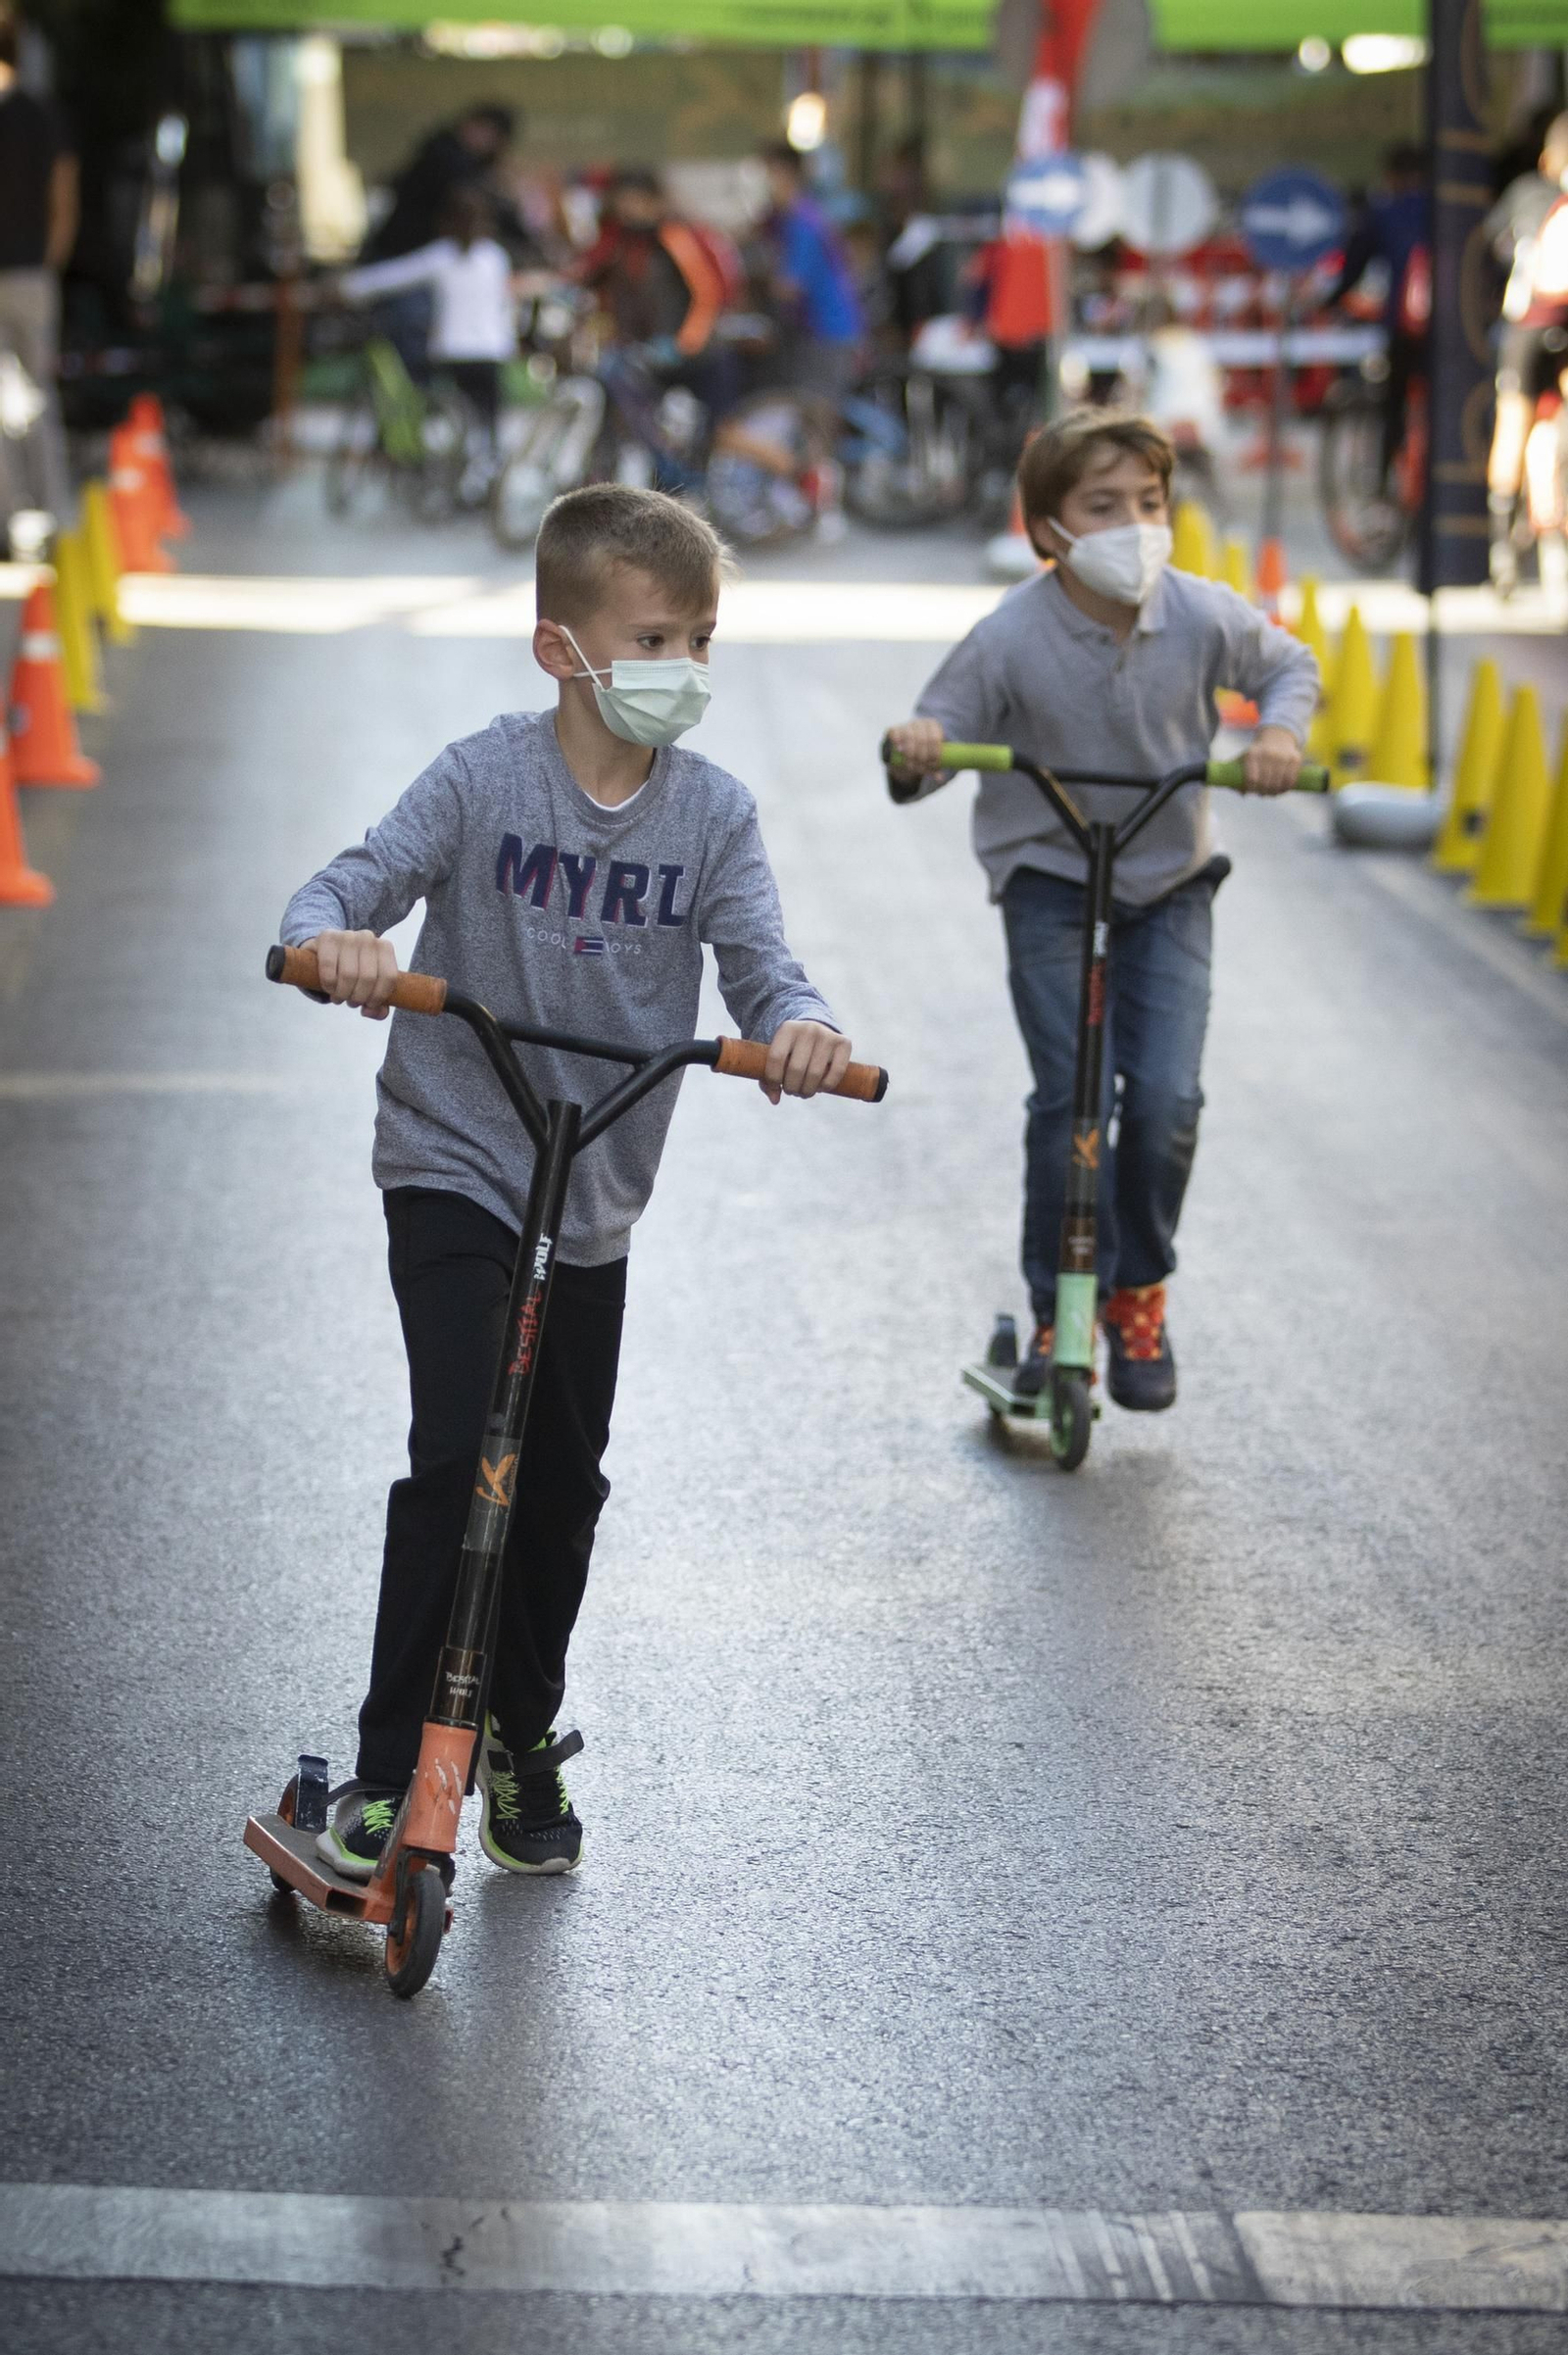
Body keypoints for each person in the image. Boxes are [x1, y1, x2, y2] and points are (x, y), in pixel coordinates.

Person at [277, 485, 853, 1878]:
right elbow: (357, 879)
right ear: (562, 649)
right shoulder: (485, 779)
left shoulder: (713, 814)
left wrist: (800, 1024)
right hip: (459, 1156)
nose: (688, 669)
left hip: (591, 1186)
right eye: (658, 636)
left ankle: (520, 1737)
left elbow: (760, 960)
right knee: (466, 1444)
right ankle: (381, 1773)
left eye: (704, 638)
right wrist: (328, 941)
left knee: (561, 1479)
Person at [883, 412, 1318, 1411]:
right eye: (1103, 507)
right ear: (1048, 531)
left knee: (1164, 1101)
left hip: (1167, 885)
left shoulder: (1202, 615)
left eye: (1149, 504)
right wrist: (920, 745)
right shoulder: (1009, 636)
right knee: (1071, 1104)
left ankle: (1135, 1291)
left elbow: (1288, 667)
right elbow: (936, 731)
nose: (1134, 525)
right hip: (1050, 877)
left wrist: (1279, 736)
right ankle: (1054, 1309)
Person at [342, 186, 517, 466]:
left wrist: (344, 287)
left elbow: (391, 277)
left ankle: (450, 463)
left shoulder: (442, 256)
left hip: (452, 350)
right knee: (486, 418)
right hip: (490, 349)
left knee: (446, 410)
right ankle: (484, 468)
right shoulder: (495, 257)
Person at [1487, 111, 1568, 592]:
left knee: (1511, 429)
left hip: (1528, 325)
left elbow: (1495, 247)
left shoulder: (1526, 194)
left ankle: (1502, 551)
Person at [0, 21, 76, 528]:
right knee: (40, 400)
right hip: (32, 275)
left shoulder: (35, 115)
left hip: (24, 273)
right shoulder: (42, 116)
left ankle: (8, 516)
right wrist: (50, 261)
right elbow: (64, 202)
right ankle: (55, 515)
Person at [1328, 143, 1431, 482]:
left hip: (1403, 326)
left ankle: (1385, 483)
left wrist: (1330, 301)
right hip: (1448, 329)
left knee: (1395, 403)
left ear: (1391, 176)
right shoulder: (1447, 209)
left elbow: (1354, 266)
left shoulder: (1385, 211)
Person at [758, 143, 864, 398]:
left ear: (786, 174)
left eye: (765, 173)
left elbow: (788, 288)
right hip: (818, 331)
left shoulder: (803, 222)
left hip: (829, 332)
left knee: (819, 412)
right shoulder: (787, 219)